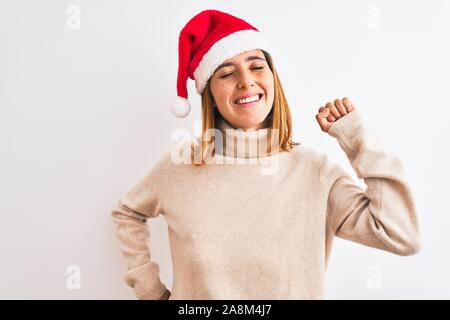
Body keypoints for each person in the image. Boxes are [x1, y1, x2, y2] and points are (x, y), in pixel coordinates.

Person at [111, 9, 421, 300]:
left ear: (272, 80)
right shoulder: (180, 166)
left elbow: (401, 235)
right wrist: (150, 289)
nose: (246, 80)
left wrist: (357, 138)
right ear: (212, 96)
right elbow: (127, 213)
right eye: (226, 73)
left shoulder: (316, 172)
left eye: (257, 66)